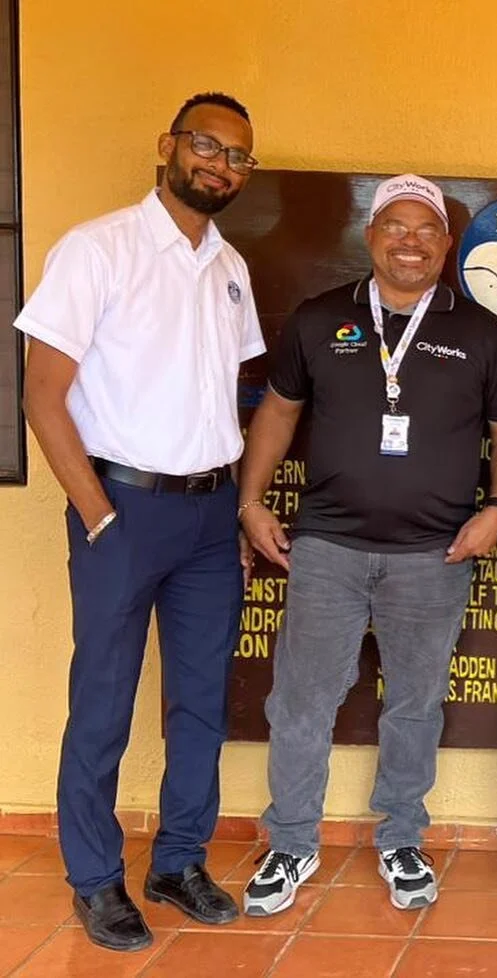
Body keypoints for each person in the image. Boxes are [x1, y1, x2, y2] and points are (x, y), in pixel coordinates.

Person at [239, 174, 497, 917]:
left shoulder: (482, 333)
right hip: (327, 548)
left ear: (447, 243)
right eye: (395, 226)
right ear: (370, 237)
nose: (410, 241)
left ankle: (402, 836)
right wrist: (249, 500)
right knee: (302, 702)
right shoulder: (319, 319)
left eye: (426, 228)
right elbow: (277, 411)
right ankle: (291, 842)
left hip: (434, 554)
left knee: (416, 704)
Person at [16, 92, 263, 951]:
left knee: (200, 702)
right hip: (122, 510)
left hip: (207, 517)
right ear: (168, 145)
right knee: (104, 703)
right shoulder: (99, 249)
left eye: (237, 156)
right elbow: (42, 395)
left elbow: (226, 393)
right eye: (206, 145)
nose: (219, 165)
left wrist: (232, 503)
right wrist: (96, 513)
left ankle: (179, 861)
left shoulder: (230, 268)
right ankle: (94, 878)